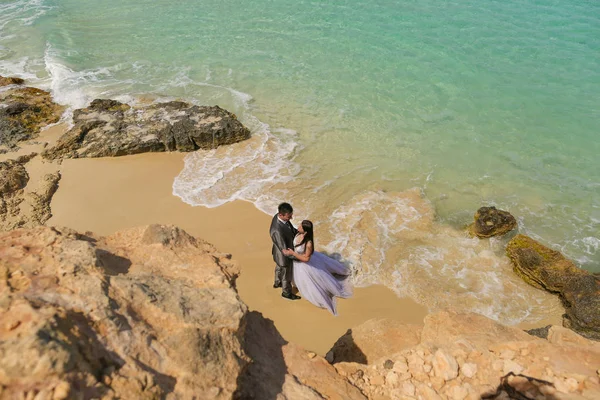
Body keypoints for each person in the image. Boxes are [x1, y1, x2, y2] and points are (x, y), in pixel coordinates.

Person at [283, 220, 352, 315]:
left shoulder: (309, 243)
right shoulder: (298, 233)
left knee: (310, 283)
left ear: (305, 231)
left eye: (300, 226)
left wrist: (293, 253)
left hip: (304, 264)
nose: (298, 227)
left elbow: (306, 259)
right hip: (296, 261)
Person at [269, 202, 301, 300]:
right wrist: (298, 257)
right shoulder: (276, 231)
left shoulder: (279, 217)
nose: (290, 218)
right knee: (286, 275)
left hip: (277, 253)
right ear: (280, 215)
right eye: (288, 217)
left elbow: (289, 227)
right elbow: (284, 250)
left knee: (279, 268)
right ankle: (286, 293)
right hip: (283, 255)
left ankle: (277, 282)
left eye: (291, 215)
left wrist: (297, 232)